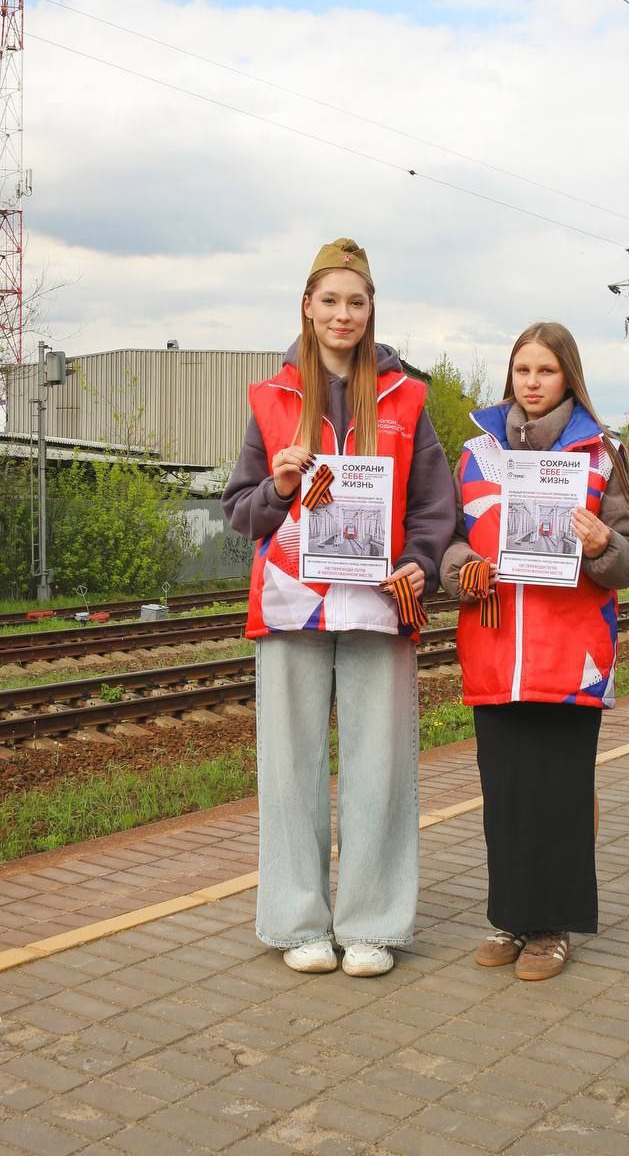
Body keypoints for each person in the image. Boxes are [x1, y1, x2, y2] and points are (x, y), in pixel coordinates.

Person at [223, 238, 454, 977]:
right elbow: (240, 511)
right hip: (291, 603)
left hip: (377, 607)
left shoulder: (406, 397)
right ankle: (297, 924)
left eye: (356, 301)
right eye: (330, 300)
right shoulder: (270, 398)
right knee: (288, 769)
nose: (342, 314)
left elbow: (433, 508)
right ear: (307, 306)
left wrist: (420, 567)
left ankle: (371, 925)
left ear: (370, 309)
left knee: (379, 770)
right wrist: (280, 489)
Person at [440, 321, 629, 981]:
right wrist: (458, 568)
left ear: (567, 378)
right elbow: (446, 541)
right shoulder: (474, 454)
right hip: (495, 646)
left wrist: (599, 548)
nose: (531, 383)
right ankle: (511, 918)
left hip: (570, 652)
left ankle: (552, 930)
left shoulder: (597, 456)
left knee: (557, 792)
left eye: (545, 372)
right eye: (522, 371)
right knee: (504, 793)